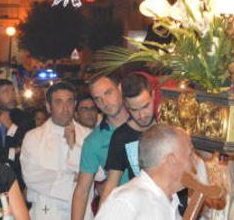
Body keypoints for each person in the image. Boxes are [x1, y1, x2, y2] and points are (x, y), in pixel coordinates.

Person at [21, 82, 92, 219]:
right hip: (46, 209)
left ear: (75, 104)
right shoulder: (33, 137)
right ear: (48, 106)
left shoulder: (88, 135)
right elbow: (32, 176)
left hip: (82, 209)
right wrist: (74, 178)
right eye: (59, 102)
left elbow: (99, 173)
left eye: (70, 102)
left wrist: (74, 146)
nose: (65, 108)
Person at [95, 124, 193, 220]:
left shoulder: (171, 202)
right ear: (171, 160)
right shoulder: (127, 200)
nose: (193, 163)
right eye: (190, 155)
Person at [71, 73, 131, 220]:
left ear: (120, 89)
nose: (104, 102)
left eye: (108, 93)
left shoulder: (144, 122)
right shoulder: (93, 141)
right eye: (98, 98)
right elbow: (82, 190)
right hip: (121, 211)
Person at [100, 72, 158, 203]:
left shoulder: (168, 126)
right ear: (126, 105)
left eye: (145, 106)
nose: (142, 115)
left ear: (153, 96)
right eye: (134, 110)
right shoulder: (121, 136)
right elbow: (110, 185)